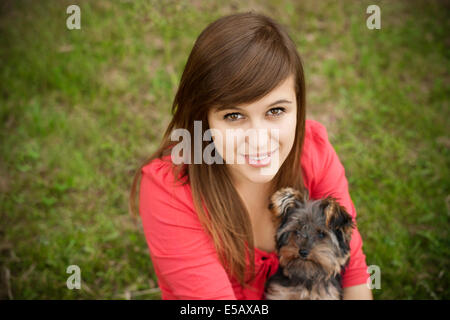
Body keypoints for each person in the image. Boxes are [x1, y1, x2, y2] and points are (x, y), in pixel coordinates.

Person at [129, 12, 373, 300]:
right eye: (233, 116)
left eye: (276, 111)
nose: (258, 139)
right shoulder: (171, 192)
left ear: (298, 105)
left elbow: (352, 269)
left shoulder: (313, 151)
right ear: (204, 119)